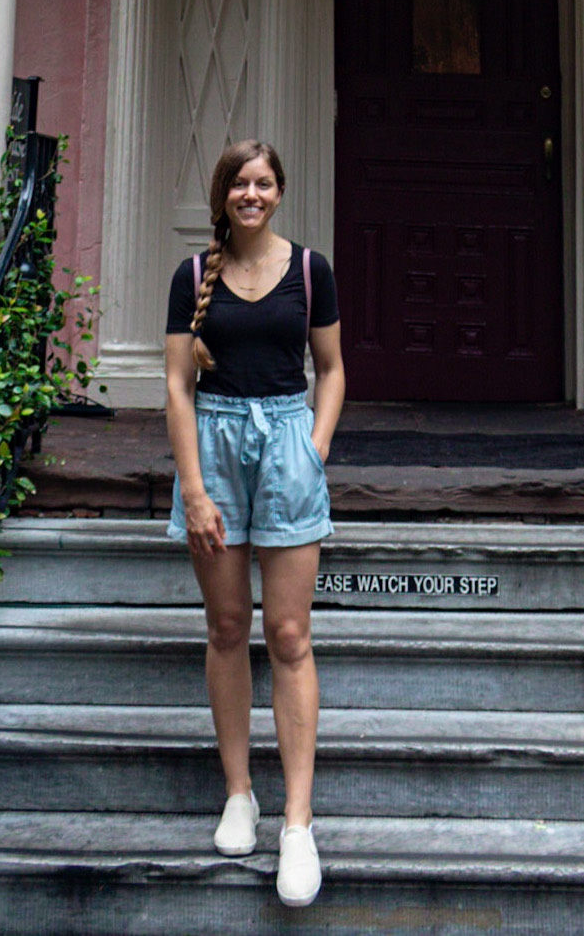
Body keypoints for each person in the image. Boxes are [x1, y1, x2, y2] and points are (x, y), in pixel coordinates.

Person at [165, 137, 344, 909]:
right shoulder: (191, 276)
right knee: (227, 625)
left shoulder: (310, 269)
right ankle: (240, 793)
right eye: (239, 182)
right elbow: (175, 384)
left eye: (263, 181)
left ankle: (298, 823)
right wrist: (195, 489)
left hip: (286, 445)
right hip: (214, 446)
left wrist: (312, 448)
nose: (251, 193)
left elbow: (332, 369)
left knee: (292, 634)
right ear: (223, 193)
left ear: (279, 191)